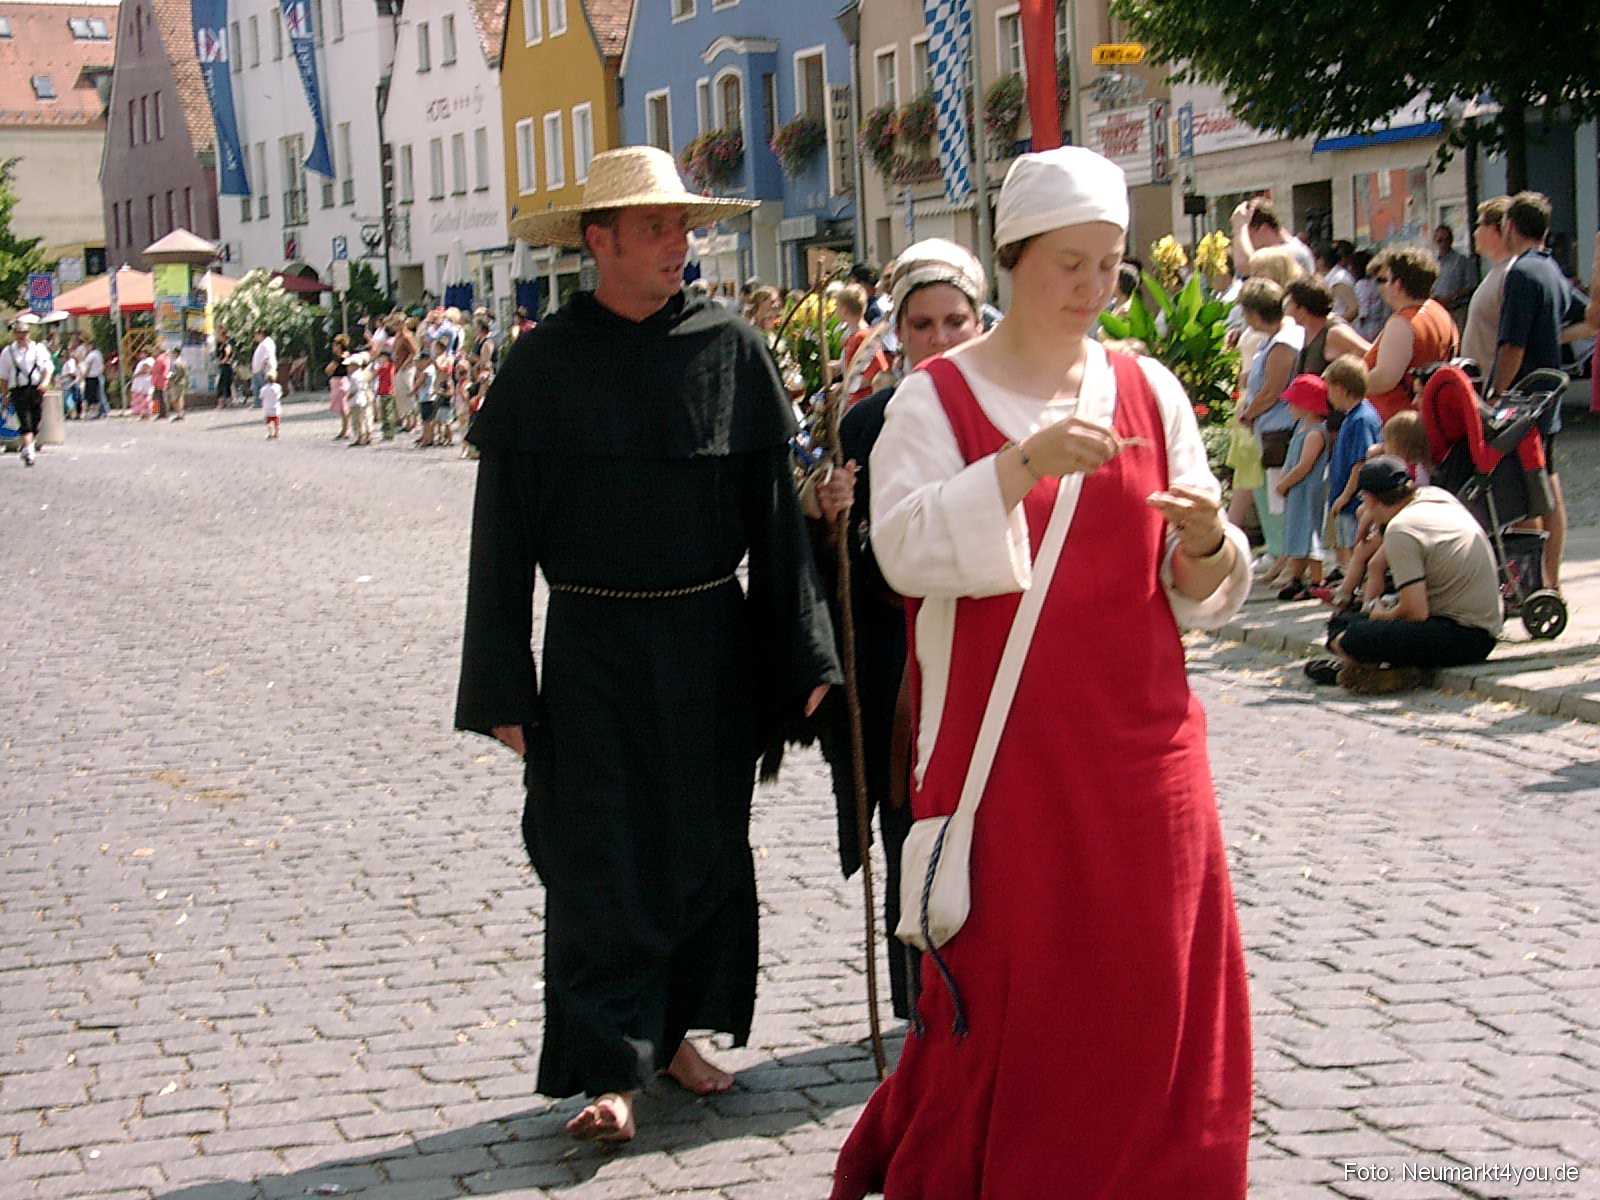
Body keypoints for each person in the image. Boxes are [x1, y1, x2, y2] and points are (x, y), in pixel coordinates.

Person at [831, 146, 1252, 1200]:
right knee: (1024, 1000)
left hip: (1145, 758)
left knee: (1156, 1000)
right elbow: (901, 550)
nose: (1092, 286)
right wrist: (1019, 468)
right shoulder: (932, 400)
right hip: (1002, 763)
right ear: (1012, 259)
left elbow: (1199, 584)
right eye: (1069, 261)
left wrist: (1207, 541)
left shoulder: (1148, 386)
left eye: (1109, 264)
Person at [454, 145, 840, 1144]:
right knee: (599, 855)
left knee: (705, 848)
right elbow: (498, 544)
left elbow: (772, 522)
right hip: (591, 647)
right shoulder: (540, 367)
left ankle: (671, 1037)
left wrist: (803, 653)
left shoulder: (732, 349)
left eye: (685, 226)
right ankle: (608, 1069)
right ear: (600, 241)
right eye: (658, 227)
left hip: (711, 639)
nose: (682, 242)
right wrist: (503, 680)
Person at [807, 238, 987, 1023]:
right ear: (899, 331)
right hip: (897, 656)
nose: (941, 339)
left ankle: (991, 997)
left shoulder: (1010, 409)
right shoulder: (868, 420)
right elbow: (840, 566)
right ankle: (921, 1005)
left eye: (957, 321)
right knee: (908, 821)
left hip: (988, 649)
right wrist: (831, 514)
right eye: (923, 325)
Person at [1311, 455, 1501, 693]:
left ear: (1370, 499)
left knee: (1353, 636)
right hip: (1483, 627)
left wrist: (1381, 615)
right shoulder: (1435, 496)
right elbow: (1379, 564)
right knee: (1345, 622)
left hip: (1463, 635)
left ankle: (1371, 668)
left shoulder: (1402, 529)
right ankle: (1371, 667)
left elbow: (1414, 612)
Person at [1491, 191, 1593, 594]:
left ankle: (1530, 583)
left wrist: (1497, 393)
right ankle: (1550, 580)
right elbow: (1589, 319)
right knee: (1548, 486)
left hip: (1524, 400)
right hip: (1547, 397)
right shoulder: (1552, 270)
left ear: (1509, 227)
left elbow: (1512, 345)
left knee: (1525, 491)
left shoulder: (1521, 273)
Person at [1236, 277, 1304, 578]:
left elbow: (1272, 390)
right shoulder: (1272, 339)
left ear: (1254, 313)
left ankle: (1288, 558)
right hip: (1269, 429)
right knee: (1273, 498)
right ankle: (1282, 555)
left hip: (1281, 429)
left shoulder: (1283, 342)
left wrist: (1248, 413)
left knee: (1282, 497)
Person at [1363, 245, 1457, 423]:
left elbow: (1385, 378)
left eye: (1383, 280)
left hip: (1398, 424)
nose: (1380, 287)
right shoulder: (1440, 313)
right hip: (1426, 419)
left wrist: (1349, 384)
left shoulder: (1402, 322)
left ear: (1398, 284)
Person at [1270, 374, 1331, 597]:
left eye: (1294, 402)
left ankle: (1317, 580)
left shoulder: (1315, 433)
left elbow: (1305, 465)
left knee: (1310, 533)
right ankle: (1298, 577)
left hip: (1307, 492)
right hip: (1297, 491)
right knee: (1298, 532)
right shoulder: (1302, 429)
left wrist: (1284, 483)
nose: (1289, 406)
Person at [1321, 355, 1382, 576]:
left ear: (1341, 388)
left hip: (1354, 500)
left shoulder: (1361, 419)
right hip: (1346, 497)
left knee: (1356, 546)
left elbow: (1361, 462)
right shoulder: (1351, 417)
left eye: (1329, 389)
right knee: (1346, 543)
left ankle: (1355, 581)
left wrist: (1345, 496)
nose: (1328, 396)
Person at [1460, 196, 1513, 373]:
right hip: (1481, 387)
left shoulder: (1512, 274)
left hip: (1498, 391)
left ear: (1494, 229)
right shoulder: (1496, 272)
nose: (1474, 233)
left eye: (1479, 225)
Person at [1286, 277, 1370, 378]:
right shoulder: (1307, 331)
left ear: (1302, 310)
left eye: (1289, 304)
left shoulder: (1334, 333)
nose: (1286, 309)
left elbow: (1371, 355)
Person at [0, 315, 55, 466]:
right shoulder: (8, 352)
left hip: (36, 389)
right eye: (18, 332)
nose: (21, 335)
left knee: (36, 420)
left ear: (28, 333)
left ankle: (27, 447)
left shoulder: (38, 349)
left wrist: (45, 382)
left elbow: (48, 367)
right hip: (18, 390)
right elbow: (3, 376)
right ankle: (30, 451)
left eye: (24, 332)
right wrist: (4, 395)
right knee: (25, 422)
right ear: (15, 334)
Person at [1230, 196, 1316, 278]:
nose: (1246, 243)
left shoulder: (1290, 252)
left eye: (1248, 236)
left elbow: (1244, 265)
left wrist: (1240, 228)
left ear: (1264, 229)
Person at [835, 283, 890, 405]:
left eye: (837, 307)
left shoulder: (864, 336)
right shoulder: (852, 335)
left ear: (844, 310)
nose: (835, 311)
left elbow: (878, 368)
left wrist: (845, 387)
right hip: (853, 401)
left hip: (863, 400)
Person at [1431, 224, 1475, 330]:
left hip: (1457, 310)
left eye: (1447, 239)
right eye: (1440, 240)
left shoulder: (1461, 260)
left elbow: (1471, 285)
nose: (1444, 243)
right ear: (1435, 241)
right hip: (1438, 311)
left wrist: (1452, 297)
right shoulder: (1432, 262)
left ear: (1451, 240)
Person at [325, 333, 352, 439]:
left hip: (341, 381)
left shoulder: (340, 357)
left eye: (335, 345)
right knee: (342, 407)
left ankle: (346, 430)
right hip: (338, 381)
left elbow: (328, 370)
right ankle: (344, 429)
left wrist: (335, 362)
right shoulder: (342, 356)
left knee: (344, 407)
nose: (333, 347)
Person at [251, 327, 278, 408]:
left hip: (264, 370)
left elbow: (267, 356)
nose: (255, 337)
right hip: (258, 370)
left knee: (263, 387)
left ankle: (263, 402)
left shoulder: (267, 343)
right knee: (257, 387)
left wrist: (261, 368)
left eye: (256, 335)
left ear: (261, 334)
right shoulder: (262, 343)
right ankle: (257, 402)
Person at [127, 350, 155, 419]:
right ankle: (142, 412)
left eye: (142, 353)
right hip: (139, 382)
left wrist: (135, 375)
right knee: (140, 398)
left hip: (145, 381)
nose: (141, 355)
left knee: (146, 398)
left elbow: (145, 370)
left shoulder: (149, 360)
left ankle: (148, 413)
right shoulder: (142, 361)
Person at [83, 338, 107, 417]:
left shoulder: (92, 355)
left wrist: (84, 375)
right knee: (98, 395)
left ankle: (94, 411)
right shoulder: (98, 353)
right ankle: (102, 411)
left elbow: (88, 366)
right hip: (96, 376)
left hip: (91, 377)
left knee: (90, 395)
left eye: (87, 346)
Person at [213, 329, 236, 408]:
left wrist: (223, 361)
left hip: (226, 366)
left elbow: (228, 354)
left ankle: (228, 402)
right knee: (220, 385)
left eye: (219, 336)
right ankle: (221, 402)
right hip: (222, 365)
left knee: (225, 384)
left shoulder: (227, 344)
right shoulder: (219, 344)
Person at [260, 368, 282, 437]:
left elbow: (261, 396)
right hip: (275, 407)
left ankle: (270, 433)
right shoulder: (278, 387)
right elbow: (279, 395)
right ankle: (276, 433)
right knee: (276, 421)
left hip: (267, 407)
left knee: (269, 421)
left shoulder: (264, 388)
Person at [150, 345, 171, 419]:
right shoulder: (166, 358)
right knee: (162, 397)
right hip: (163, 379)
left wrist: (152, 376)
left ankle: (162, 413)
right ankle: (164, 412)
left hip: (159, 380)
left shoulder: (160, 359)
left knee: (159, 397)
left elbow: (156, 370)